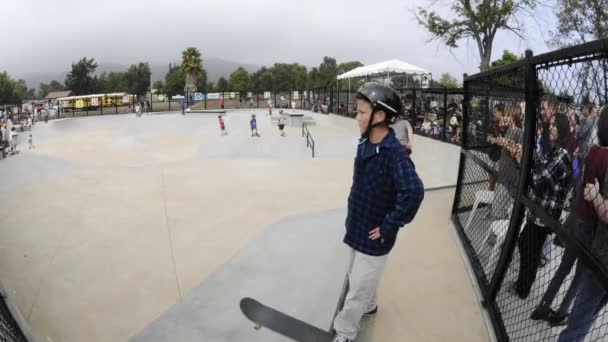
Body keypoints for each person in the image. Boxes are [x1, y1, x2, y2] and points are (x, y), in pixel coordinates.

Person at [332, 83, 424, 342]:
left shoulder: (395, 154)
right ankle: (370, 305)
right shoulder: (364, 142)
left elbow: (414, 192)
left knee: (357, 290)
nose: (356, 117)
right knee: (356, 276)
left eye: (361, 112)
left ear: (379, 116)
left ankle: (346, 332)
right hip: (357, 224)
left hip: (375, 235)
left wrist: (389, 224)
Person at [557, 105, 608, 342]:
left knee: (573, 268)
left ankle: (560, 309)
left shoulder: (594, 151)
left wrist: (593, 198)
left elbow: (583, 183)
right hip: (591, 226)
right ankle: (563, 309)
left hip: (584, 221)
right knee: (581, 277)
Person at [509, 114, 573, 299]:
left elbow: (537, 180)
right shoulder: (553, 151)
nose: (550, 127)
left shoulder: (562, 156)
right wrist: (521, 155)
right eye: (550, 124)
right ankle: (523, 283)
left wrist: (523, 160)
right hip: (539, 210)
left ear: (560, 130)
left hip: (545, 215)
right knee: (527, 245)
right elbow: (537, 167)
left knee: (528, 245)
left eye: (554, 125)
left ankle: (523, 287)